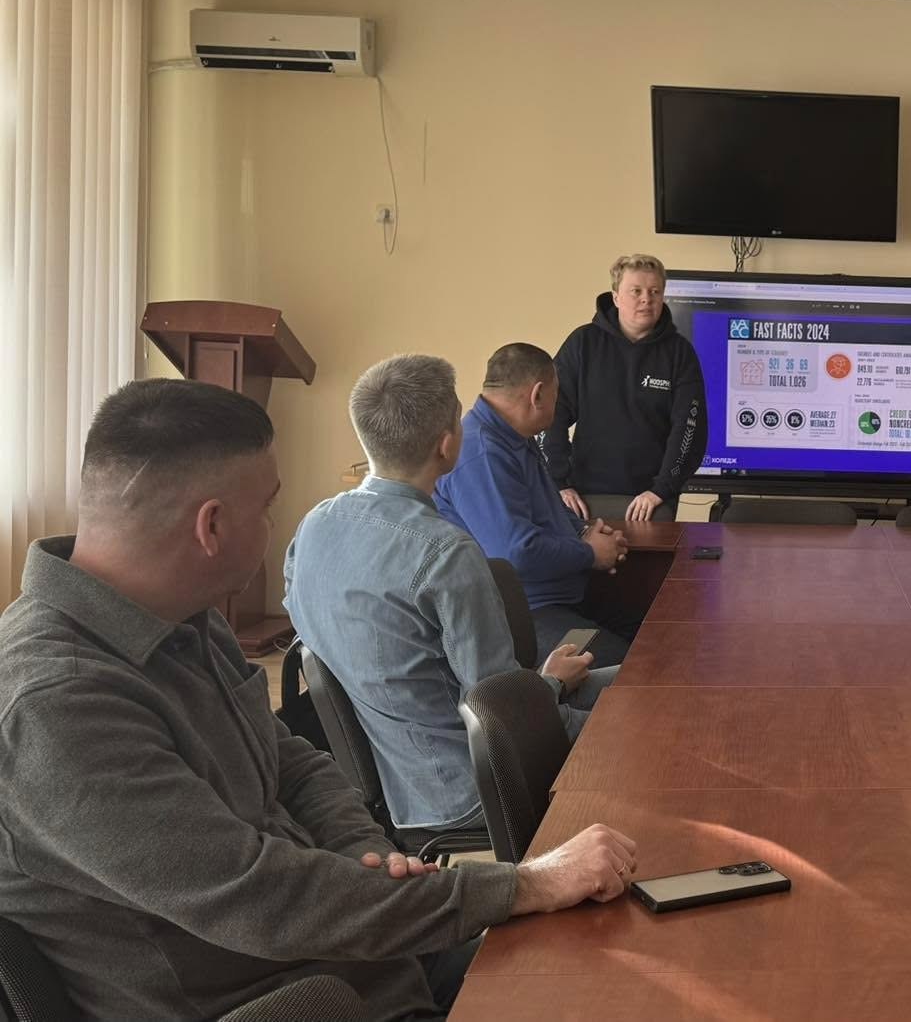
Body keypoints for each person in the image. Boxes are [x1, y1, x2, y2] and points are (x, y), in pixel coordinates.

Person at [0, 378, 639, 1021]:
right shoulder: (57, 706)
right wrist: (525, 884)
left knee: (617, 961)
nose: (274, 525)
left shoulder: (181, 614)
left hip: (371, 957)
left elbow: (293, 763)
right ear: (212, 526)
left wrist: (369, 856)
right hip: (308, 1000)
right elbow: (264, 900)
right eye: (267, 507)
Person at [285, 354, 620, 843]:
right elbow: (503, 712)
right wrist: (551, 693)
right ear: (447, 445)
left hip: (403, 774)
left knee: (632, 685)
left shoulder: (314, 525)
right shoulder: (446, 553)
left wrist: (544, 684)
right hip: (476, 780)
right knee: (643, 722)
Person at [437, 342, 636, 666]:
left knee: (655, 632)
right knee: (627, 668)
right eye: (558, 395)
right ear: (538, 394)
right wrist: (589, 553)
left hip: (564, 591)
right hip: (524, 610)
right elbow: (515, 551)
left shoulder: (515, 436)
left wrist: (585, 532)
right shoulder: (482, 452)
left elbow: (549, 508)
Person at [543, 253, 707, 525]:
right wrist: (558, 481)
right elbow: (551, 412)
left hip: (651, 500)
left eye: (655, 292)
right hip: (583, 497)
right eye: (636, 291)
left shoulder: (680, 353)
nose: (646, 299)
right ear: (616, 297)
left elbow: (690, 429)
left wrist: (661, 490)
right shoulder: (583, 343)